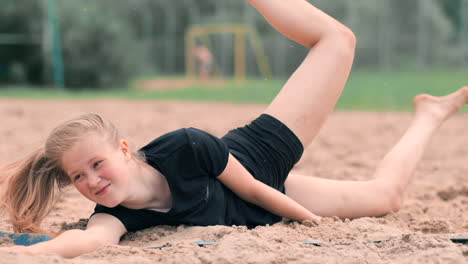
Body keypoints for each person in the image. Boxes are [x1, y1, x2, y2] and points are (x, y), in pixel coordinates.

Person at [1, 0, 467, 258]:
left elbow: (256, 190)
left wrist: (313, 224)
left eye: (96, 164)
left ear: (124, 150)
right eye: (79, 177)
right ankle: (429, 115)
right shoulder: (116, 215)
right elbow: (86, 240)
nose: (92, 182)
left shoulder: (185, 146)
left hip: (258, 161)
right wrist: (28, 255)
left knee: (338, 40)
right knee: (386, 199)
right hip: (258, 196)